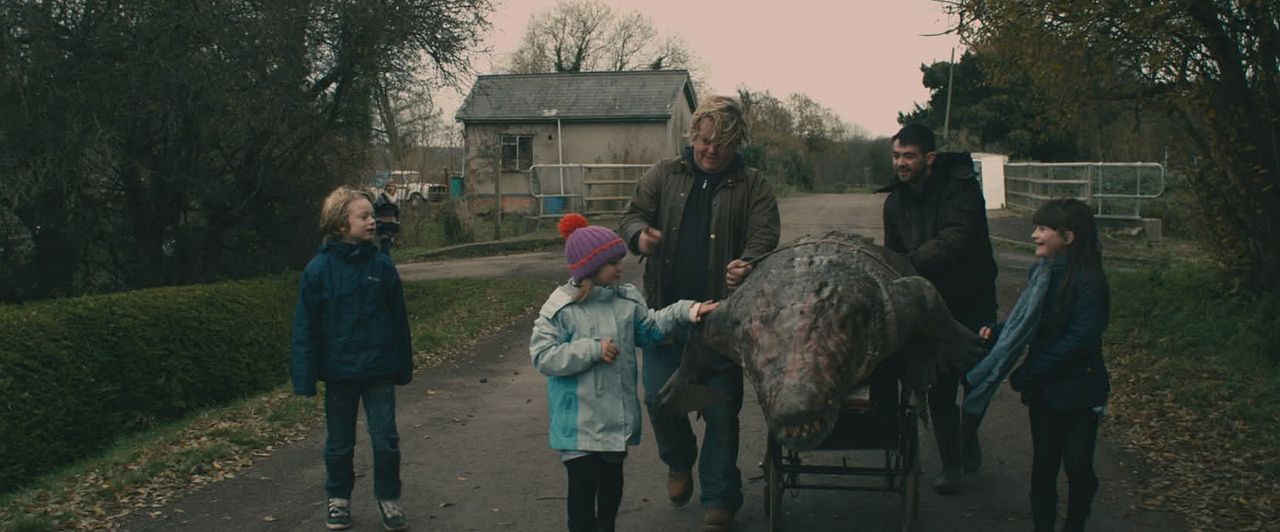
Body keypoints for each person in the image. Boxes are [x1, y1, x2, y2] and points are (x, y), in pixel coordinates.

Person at [618, 95, 780, 532]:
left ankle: (720, 496)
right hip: (665, 317)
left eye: (721, 143)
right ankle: (679, 458)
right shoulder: (663, 174)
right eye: (705, 140)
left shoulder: (753, 185)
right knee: (658, 398)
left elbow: (765, 235)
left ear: (737, 142)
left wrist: (748, 263)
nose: (711, 150)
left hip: (721, 321)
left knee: (722, 411)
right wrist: (639, 236)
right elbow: (632, 216)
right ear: (693, 136)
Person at [530, 213, 717, 532]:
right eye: (613, 263)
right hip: (579, 424)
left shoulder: (626, 300)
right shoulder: (562, 308)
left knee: (611, 491)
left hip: (614, 420)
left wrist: (687, 310)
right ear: (590, 267)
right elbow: (543, 355)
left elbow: (650, 327)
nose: (620, 267)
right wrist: (591, 350)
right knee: (582, 492)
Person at [878, 123, 998, 494]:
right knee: (938, 382)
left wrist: (908, 264)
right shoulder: (894, 202)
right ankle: (951, 465)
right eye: (896, 156)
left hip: (971, 297)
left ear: (929, 158)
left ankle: (969, 432)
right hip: (929, 301)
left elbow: (953, 240)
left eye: (909, 156)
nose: (900, 163)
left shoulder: (961, 190)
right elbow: (893, 251)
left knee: (976, 377)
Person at [979, 198, 1110, 532]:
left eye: (1042, 228)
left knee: (1078, 466)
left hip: (1080, 391)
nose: (1034, 235)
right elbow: (1027, 316)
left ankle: (1075, 523)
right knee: (1044, 465)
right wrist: (997, 331)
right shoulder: (1041, 273)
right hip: (1046, 393)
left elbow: (1082, 339)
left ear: (1067, 237)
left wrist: (1030, 373)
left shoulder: (1090, 281)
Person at [290, 186, 413, 532]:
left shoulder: (383, 267)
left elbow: (399, 322)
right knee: (339, 444)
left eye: (372, 215)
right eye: (364, 216)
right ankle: (338, 499)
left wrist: (403, 367)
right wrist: (304, 377)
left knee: (386, 441)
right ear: (341, 224)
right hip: (339, 372)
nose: (373, 221)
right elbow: (305, 327)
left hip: (379, 370)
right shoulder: (318, 270)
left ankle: (389, 499)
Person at [373, 181, 401, 256]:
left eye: (392, 186)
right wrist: (377, 220)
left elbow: (397, 213)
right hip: (383, 224)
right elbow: (375, 209)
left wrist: (397, 222)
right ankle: (385, 258)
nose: (390, 188)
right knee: (384, 241)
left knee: (389, 242)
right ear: (386, 187)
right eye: (389, 186)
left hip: (392, 224)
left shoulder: (396, 199)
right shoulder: (381, 198)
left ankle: (384, 258)